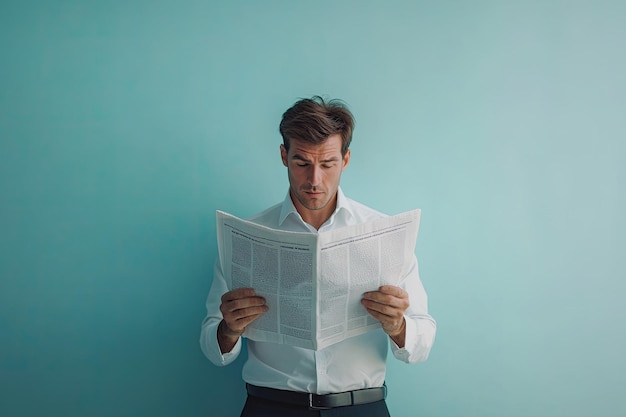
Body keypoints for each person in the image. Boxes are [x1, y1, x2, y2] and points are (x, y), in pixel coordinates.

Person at [200, 96, 436, 416]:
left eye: (327, 165)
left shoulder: (384, 235)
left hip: (361, 407)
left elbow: (422, 342)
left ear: (346, 159)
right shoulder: (246, 237)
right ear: (284, 156)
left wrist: (398, 327)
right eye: (302, 164)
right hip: (270, 407)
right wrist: (227, 329)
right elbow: (214, 350)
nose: (314, 180)